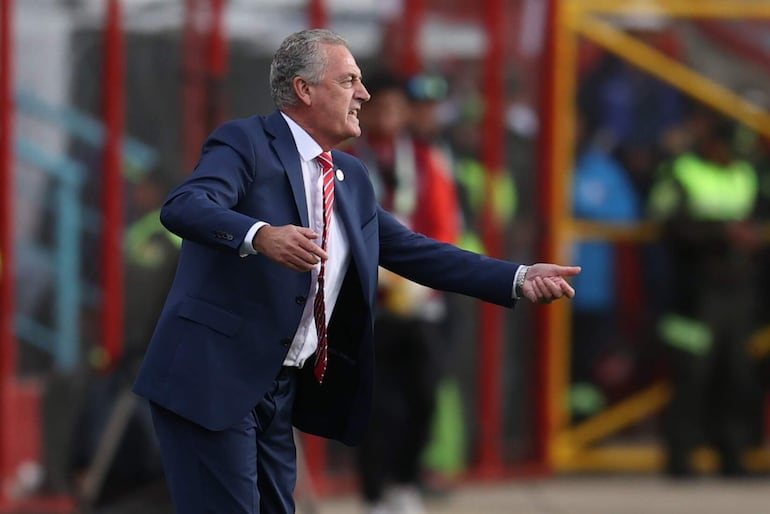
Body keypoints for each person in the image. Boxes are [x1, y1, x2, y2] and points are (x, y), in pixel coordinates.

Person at [132, 29, 580, 514]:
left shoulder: (350, 179)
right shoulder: (246, 142)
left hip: (277, 390)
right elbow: (184, 205)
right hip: (211, 379)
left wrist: (516, 277)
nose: (363, 94)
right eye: (349, 81)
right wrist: (261, 234)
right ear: (305, 90)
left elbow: (414, 251)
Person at [347, 70, 461, 514]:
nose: (387, 116)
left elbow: (443, 223)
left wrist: (423, 282)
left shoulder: (426, 160)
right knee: (375, 403)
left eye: (395, 108)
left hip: (420, 301)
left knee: (425, 396)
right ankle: (375, 493)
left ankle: (406, 482)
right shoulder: (346, 160)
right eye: (378, 107)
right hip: (366, 303)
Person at [648, 108, 762, 478]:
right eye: (727, 147)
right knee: (690, 374)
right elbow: (667, 224)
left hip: (737, 288)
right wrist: (720, 233)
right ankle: (680, 457)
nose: (731, 156)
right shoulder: (681, 171)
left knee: (736, 373)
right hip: (693, 292)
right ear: (712, 142)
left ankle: (732, 454)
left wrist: (754, 236)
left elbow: (758, 218)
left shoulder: (745, 174)